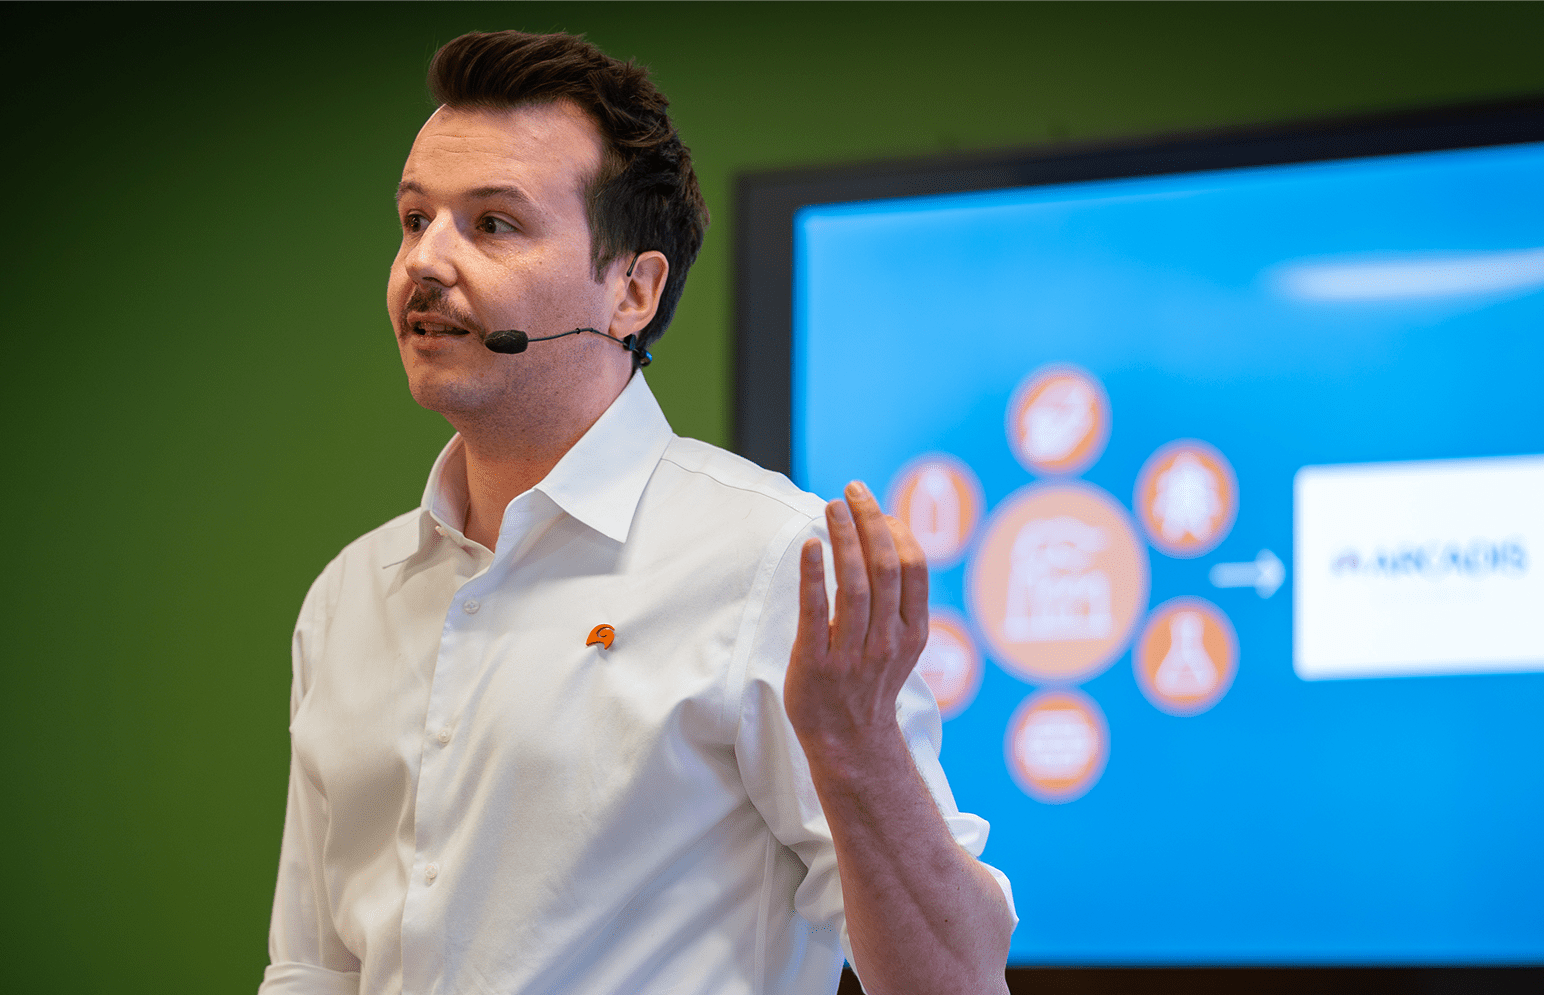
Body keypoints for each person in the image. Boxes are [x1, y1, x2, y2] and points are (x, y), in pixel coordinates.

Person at [259, 30, 1015, 995]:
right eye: (414, 219)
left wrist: (856, 746)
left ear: (632, 290)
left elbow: (954, 980)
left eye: (493, 225)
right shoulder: (349, 597)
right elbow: (314, 966)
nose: (425, 265)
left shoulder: (770, 561)